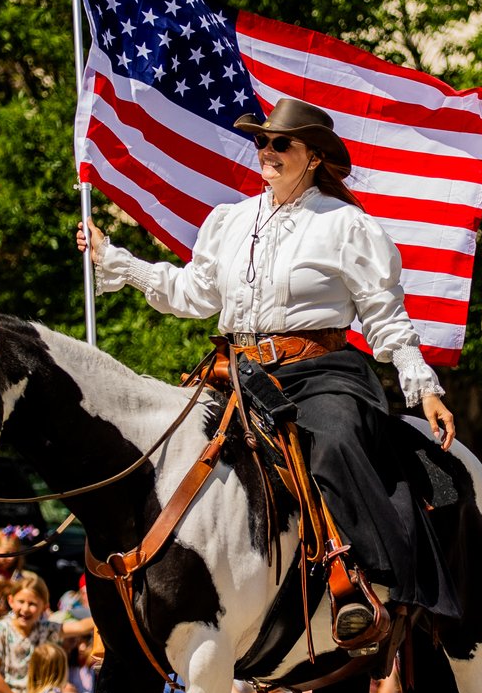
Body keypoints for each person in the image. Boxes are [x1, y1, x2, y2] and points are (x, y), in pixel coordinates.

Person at [80, 97, 462, 645]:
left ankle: (363, 580)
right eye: (262, 141)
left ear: (313, 156)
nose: (267, 151)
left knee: (332, 441)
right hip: (235, 372)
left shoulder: (347, 225)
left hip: (320, 369)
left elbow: (385, 315)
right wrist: (115, 260)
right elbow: (193, 293)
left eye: (280, 143)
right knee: (161, 442)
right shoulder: (229, 220)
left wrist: (423, 387)